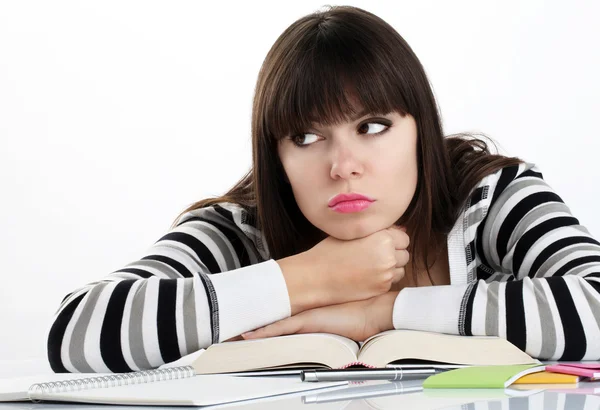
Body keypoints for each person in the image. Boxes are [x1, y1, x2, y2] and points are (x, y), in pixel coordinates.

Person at [46, 5, 600, 373]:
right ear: (277, 155)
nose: (343, 166)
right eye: (307, 136)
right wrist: (307, 278)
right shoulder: (244, 225)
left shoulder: (489, 196)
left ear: (420, 129)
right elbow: (75, 333)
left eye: (373, 126)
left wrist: (385, 313)